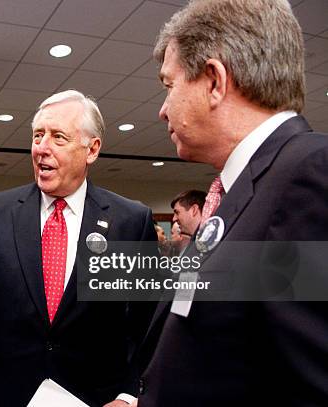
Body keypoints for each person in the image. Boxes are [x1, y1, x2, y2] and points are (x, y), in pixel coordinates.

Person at [135, 0, 328, 406]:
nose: (162, 110)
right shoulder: (239, 190)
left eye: (170, 86)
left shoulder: (309, 175)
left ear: (215, 81)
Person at [0, 90, 157, 407]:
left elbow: (144, 324)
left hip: (95, 398)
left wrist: (128, 395)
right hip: (6, 396)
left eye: (58, 137)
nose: (41, 148)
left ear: (92, 149)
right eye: (37, 136)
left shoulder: (128, 222)